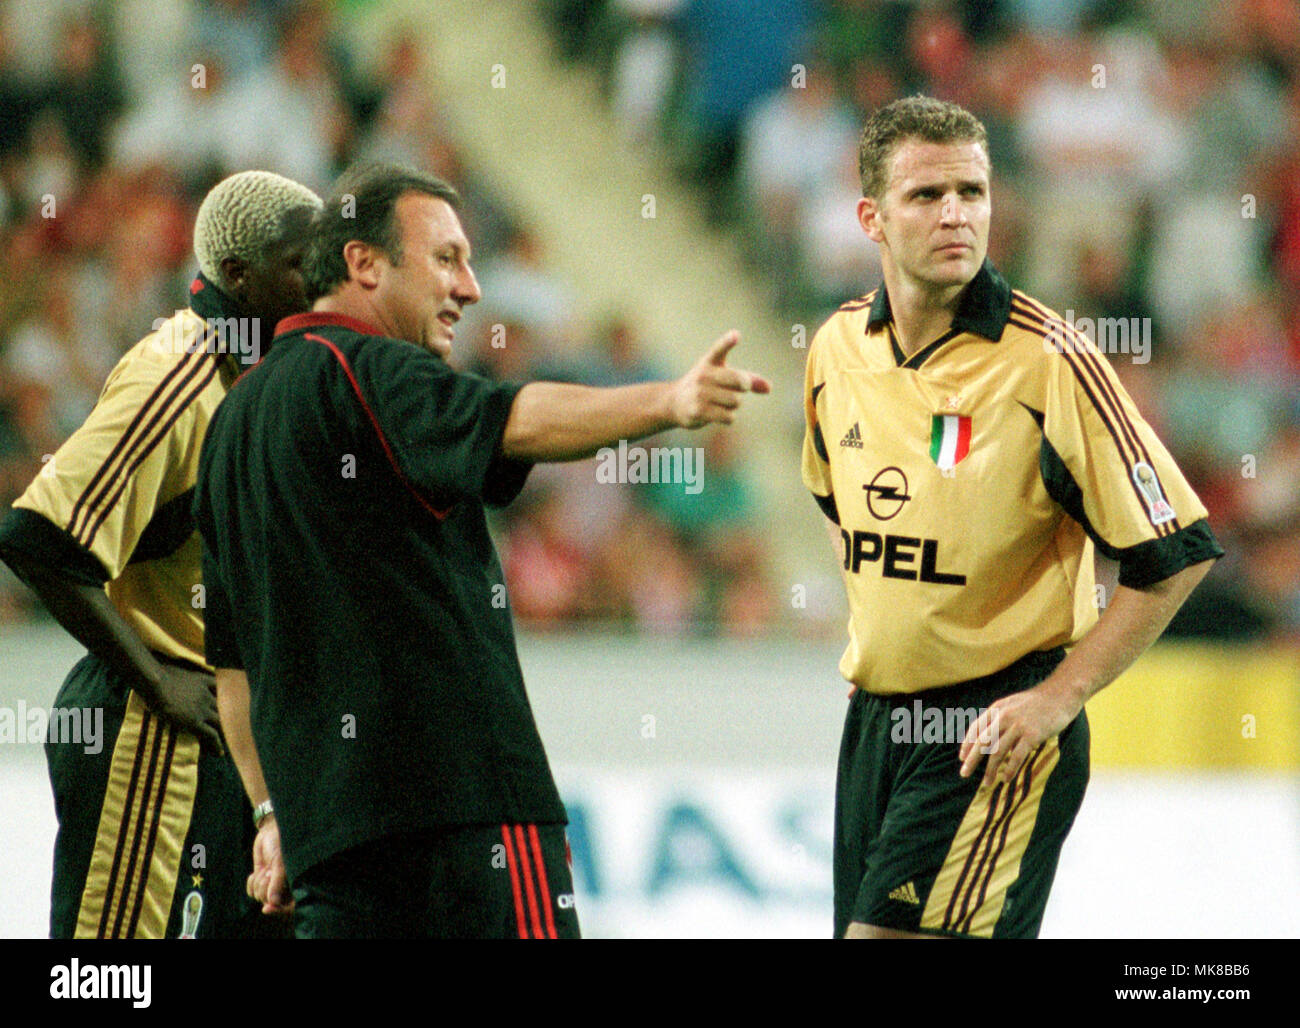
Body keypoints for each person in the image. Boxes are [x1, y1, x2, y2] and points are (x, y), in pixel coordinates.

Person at [193, 162, 770, 939]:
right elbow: (516, 418)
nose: (469, 288)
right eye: (446, 259)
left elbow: (233, 671)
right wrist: (667, 401)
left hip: (330, 843)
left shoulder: (231, 428)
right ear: (363, 264)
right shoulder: (371, 367)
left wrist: (270, 815)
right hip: (467, 822)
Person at [801, 96, 1223, 939]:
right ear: (871, 219)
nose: (956, 213)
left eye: (973, 190)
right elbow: (834, 499)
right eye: (927, 195)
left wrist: (1057, 698)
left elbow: (1177, 551)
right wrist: (889, 623)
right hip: (878, 725)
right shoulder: (836, 349)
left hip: (994, 723)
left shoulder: (1050, 361)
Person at [0, 170, 321, 938]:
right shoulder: (176, 373)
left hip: (232, 740)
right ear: (238, 276)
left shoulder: (264, 373)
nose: (321, 279)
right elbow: (37, 538)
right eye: (301, 262)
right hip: (153, 733)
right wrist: (155, 683)